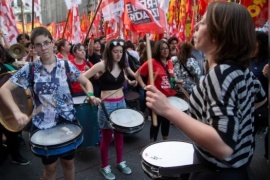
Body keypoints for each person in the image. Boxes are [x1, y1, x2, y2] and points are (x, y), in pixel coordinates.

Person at [144, 2, 267, 179]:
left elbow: (222, 146)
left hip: (217, 173)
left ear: (218, 34)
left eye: (202, 22)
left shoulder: (221, 75)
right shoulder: (240, 70)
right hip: (238, 170)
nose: (195, 25)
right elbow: (260, 99)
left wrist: (167, 109)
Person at [0, 27, 100, 180]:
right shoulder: (30, 69)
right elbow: (4, 90)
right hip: (44, 125)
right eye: (38, 44)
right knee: (51, 169)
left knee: (69, 164)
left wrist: (91, 95)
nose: (43, 47)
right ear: (33, 47)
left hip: (68, 122)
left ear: (53, 43)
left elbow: (86, 82)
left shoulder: (65, 65)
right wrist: (16, 112)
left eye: (46, 42)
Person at [84, 39, 137, 180]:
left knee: (120, 135)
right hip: (106, 105)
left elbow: (127, 76)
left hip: (121, 103)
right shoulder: (101, 65)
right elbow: (82, 78)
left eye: (121, 52)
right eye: (115, 52)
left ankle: (120, 161)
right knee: (107, 138)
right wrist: (90, 95)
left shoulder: (122, 65)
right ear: (109, 51)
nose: (118, 54)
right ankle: (104, 166)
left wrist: (131, 80)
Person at [135, 40, 177, 142]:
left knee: (166, 121)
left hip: (168, 97)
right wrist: (144, 86)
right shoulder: (152, 62)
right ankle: (152, 145)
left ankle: (165, 143)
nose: (165, 51)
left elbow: (171, 76)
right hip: (155, 97)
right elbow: (137, 74)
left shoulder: (170, 62)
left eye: (166, 48)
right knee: (156, 122)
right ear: (157, 50)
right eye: (162, 49)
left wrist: (176, 81)